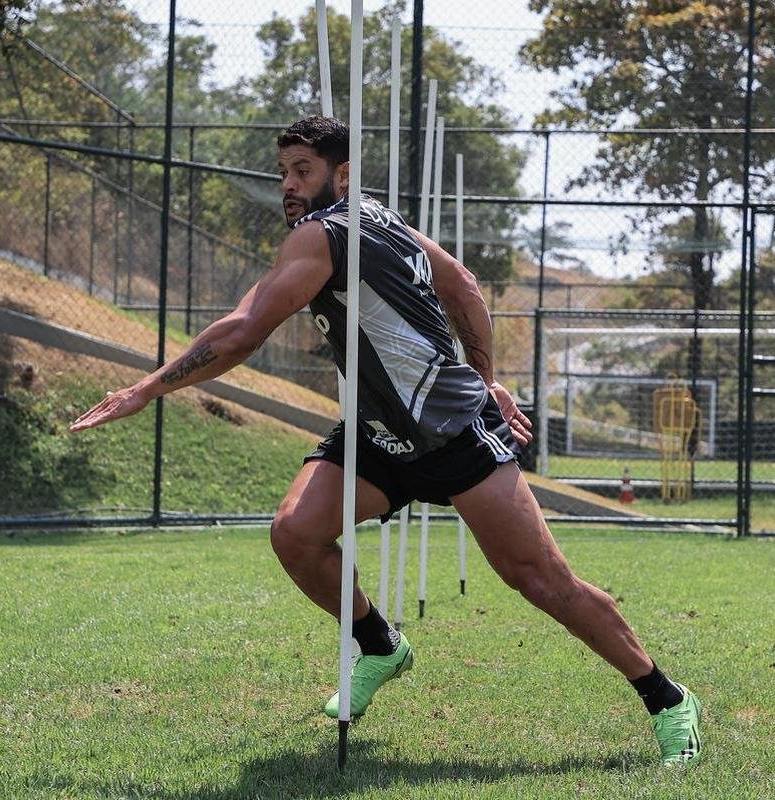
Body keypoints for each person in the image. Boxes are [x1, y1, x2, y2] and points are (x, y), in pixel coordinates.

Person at [70, 115, 703, 766]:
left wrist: (147, 389)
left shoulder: (322, 236)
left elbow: (245, 329)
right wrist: (486, 378)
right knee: (296, 532)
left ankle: (666, 697)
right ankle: (379, 645)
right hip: (376, 434)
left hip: (452, 433)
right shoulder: (383, 220)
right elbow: (463, 287)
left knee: (540, 581)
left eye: (303, 172)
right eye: (283, 172)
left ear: (341, 175)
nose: (288, 185)